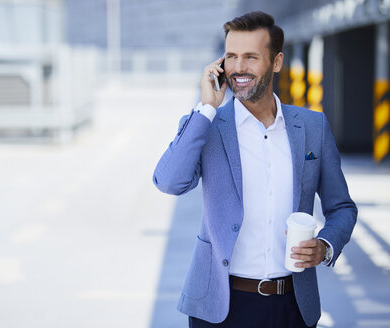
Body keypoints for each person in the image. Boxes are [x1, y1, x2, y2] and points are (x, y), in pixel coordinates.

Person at [152, 11, 357, 328]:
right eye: (231, 56)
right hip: (220, 307)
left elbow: (341, 206)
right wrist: (207, 107)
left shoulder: (312, 127)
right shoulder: (208, 126)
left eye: (250, 57)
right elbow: (168, 181)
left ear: (276, 62)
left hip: (293, 306)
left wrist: (326, 245)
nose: (238, 68)